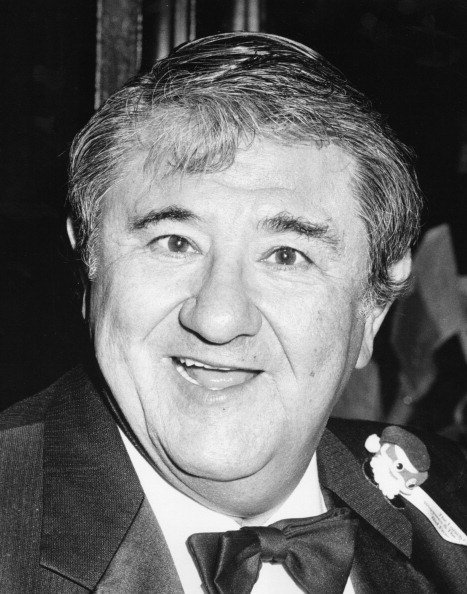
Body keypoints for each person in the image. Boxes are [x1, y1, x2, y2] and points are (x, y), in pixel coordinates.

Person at [0, 32, 465, 593]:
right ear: (89, 261)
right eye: (175, 243)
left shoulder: (450, 510)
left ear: (373, 305)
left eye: (287, 256)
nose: (217, 320)